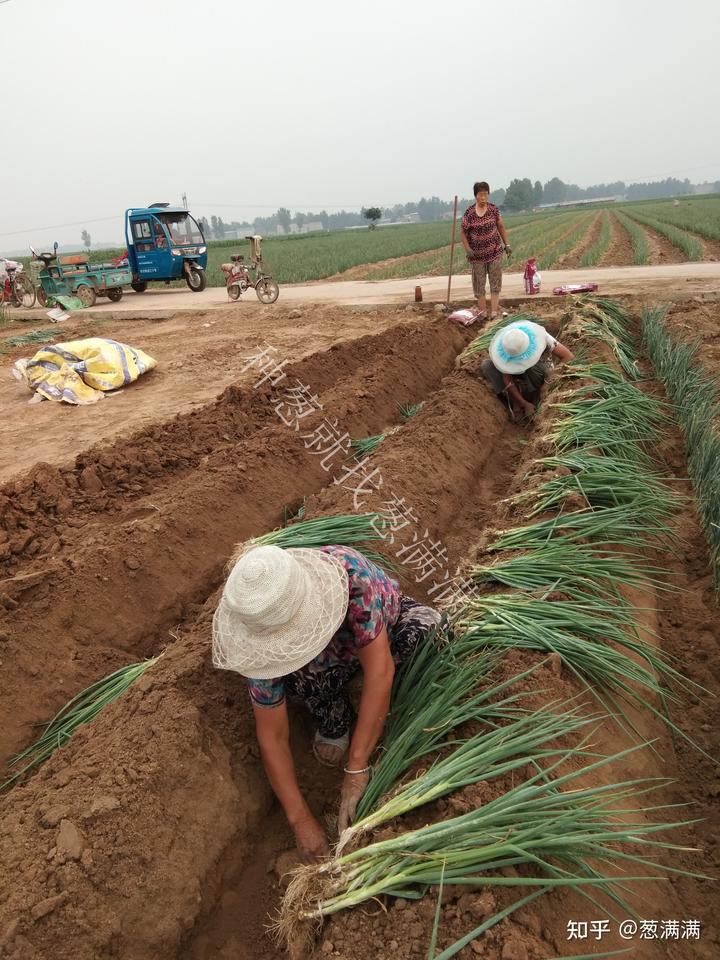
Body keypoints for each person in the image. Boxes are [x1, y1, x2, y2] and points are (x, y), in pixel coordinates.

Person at [212, 542, 440, 862]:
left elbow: (380, 671)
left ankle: (390, 709)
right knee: (303, 676)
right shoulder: (260, 642)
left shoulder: (352, 581)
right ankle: (336, 718)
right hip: (327, 667)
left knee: (426, 630)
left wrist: (357, 766)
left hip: (378, 637)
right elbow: (272, 735)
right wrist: (301, 820)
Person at [481, 319, 574, 420]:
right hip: (517, 371)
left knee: (532, 368)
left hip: (540, 369)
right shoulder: (507, 344)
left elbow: (568, 356)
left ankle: (537, 397)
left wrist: (549, 381)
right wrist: (523, 403)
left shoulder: (541, 336)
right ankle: (514, 401)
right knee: (488, 365)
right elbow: (507, 380)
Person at [461, 182, 511, 320]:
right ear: (475, 196)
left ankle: (494, 312)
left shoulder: (494, 210)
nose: (483, 197)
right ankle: (483, 313)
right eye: (480, 194)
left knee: (495, 282)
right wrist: (467, 249)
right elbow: (463, 233)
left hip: (494, 252)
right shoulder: (469, 213)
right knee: (479, 284)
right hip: (477, 256)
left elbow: (501, 227)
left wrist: (507, 245)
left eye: (485, 194)